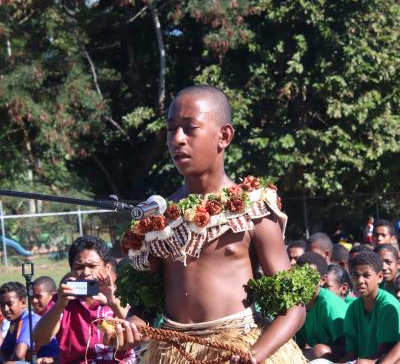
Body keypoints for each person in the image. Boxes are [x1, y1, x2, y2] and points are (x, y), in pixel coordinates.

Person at [113, 85, 308, 363]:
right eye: (171, 130)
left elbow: (294, 307)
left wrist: (255, 354)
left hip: (241, 350)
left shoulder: (254, 210)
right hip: (174, 352)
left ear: (224, 136)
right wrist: (132, 325)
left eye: (189, 128)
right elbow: (145, 304)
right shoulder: (157, 218)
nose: (177, 139)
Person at [34, 235, 135, 364]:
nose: (86, 272)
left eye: (92, 266)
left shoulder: (124, 295)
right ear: (71, 271)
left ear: (107, 268)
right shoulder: (62, 301)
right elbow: (40, 339)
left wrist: (113, 302)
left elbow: (141, 334)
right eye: (79, 267)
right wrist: (60, 305)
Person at [343, 251, 400, 362]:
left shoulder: (387, 307)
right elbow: (351, 353)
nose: (360, 281)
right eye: (355, 275)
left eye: (366, 275)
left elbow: (385, 352)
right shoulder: (353, 308)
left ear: (379, 277)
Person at [296, 252, 347, 361]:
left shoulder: (329, 304)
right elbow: (298, 343)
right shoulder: (297, 303)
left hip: (344, 355)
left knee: (319, 350)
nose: (303, 281)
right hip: (315, 355)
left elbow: (347, 343)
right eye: (299, 275)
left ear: (322, 280)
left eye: (309, 276)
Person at [0, 281, 39, 363]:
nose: (5, 309)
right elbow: (4, 350)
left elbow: (19, 355)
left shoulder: (29, 319)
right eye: (2, 305)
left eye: (9, 304)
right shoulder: (14, 322)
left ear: (23, 303)